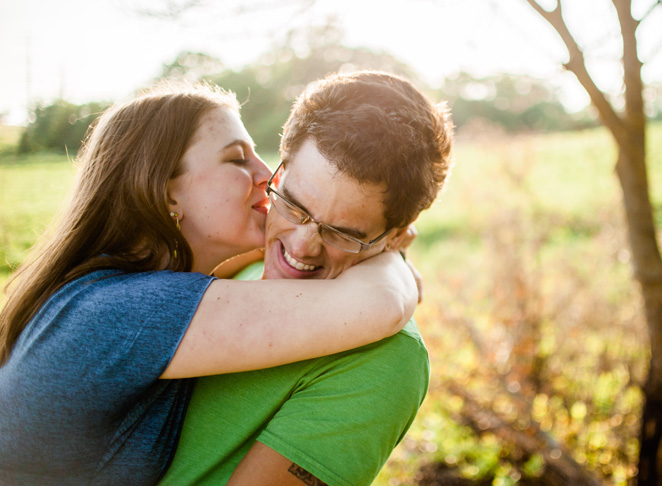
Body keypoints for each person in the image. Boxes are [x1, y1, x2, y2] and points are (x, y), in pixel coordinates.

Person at [0, 82, 420, 485]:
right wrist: (392, 256)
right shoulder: (128, 312)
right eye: (238, 159)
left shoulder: (120, 291)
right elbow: (379, 305)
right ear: (166, 194)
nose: (267, 176)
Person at [160, 71, 454, 486]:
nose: (301, 247)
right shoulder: (242, 266)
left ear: (395, 238)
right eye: (293, 205)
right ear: (274, 175)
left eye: (342, 233)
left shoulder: (386, 361)